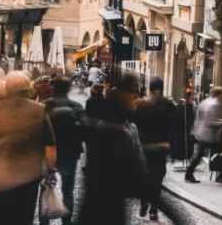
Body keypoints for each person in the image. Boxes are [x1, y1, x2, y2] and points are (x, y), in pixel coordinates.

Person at [0, 71, 56, 225]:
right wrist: (50, 170)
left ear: (7, 88)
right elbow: (50, 146)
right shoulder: (40, 110)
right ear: (28, 89)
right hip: (28, 177)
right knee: (24, 216)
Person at [79, 73, 149, 223]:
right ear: (123, 97)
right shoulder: (116, 131)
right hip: (105, 212)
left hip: (100, 209)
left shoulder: (117, 125)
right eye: (134, 96)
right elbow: (140, 176)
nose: (137, 100)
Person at [43, 77, 87, 225]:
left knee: (45, 188)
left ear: (53, 89)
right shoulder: (77, 107)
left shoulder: (44, 106)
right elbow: (85, 130)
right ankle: (66, 222)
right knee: (68, 190)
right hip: (69, 152)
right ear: (69, 89)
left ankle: (44, 221)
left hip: (47, 152)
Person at [136, 77, 176, 221]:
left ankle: (143, 202)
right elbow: (174, 128)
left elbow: (136, 126)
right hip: (161, 147)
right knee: (157, 179)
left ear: (150, 87)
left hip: (144, 147)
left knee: (145, 177)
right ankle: (153, 209)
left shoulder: (141, 104)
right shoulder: (169, 105)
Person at [186, 86, 222, 183]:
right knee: (220, 153)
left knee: (199, 155)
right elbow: (210, 121)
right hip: (208, 134)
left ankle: (189, 173)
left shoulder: (205, 102)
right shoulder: (215, 104)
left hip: (201, 132)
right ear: (220, 95)